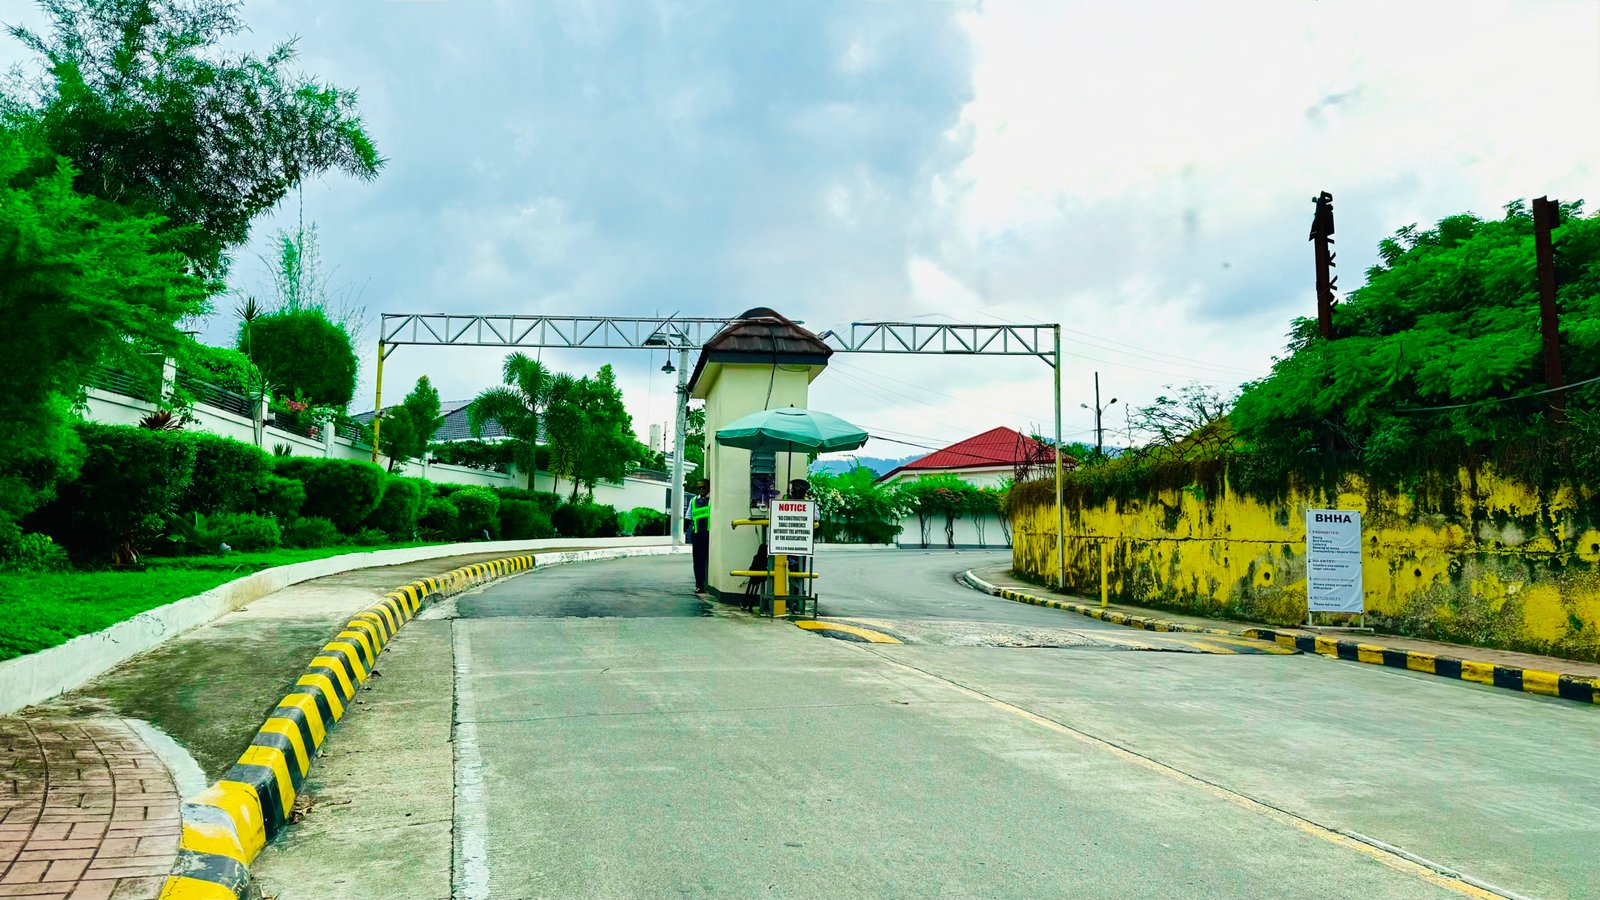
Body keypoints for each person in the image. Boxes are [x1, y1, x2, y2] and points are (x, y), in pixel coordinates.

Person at [686, 479, 712, 594]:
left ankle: (708, 584)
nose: (702, 489)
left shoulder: (713, 500)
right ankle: (699, 585)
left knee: (710, 561)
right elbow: (688, 518)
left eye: (704, 487)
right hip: (697, 535)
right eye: (699, 488)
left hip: (710, 535)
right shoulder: (693, 501)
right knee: (698, 562)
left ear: (709, 487)